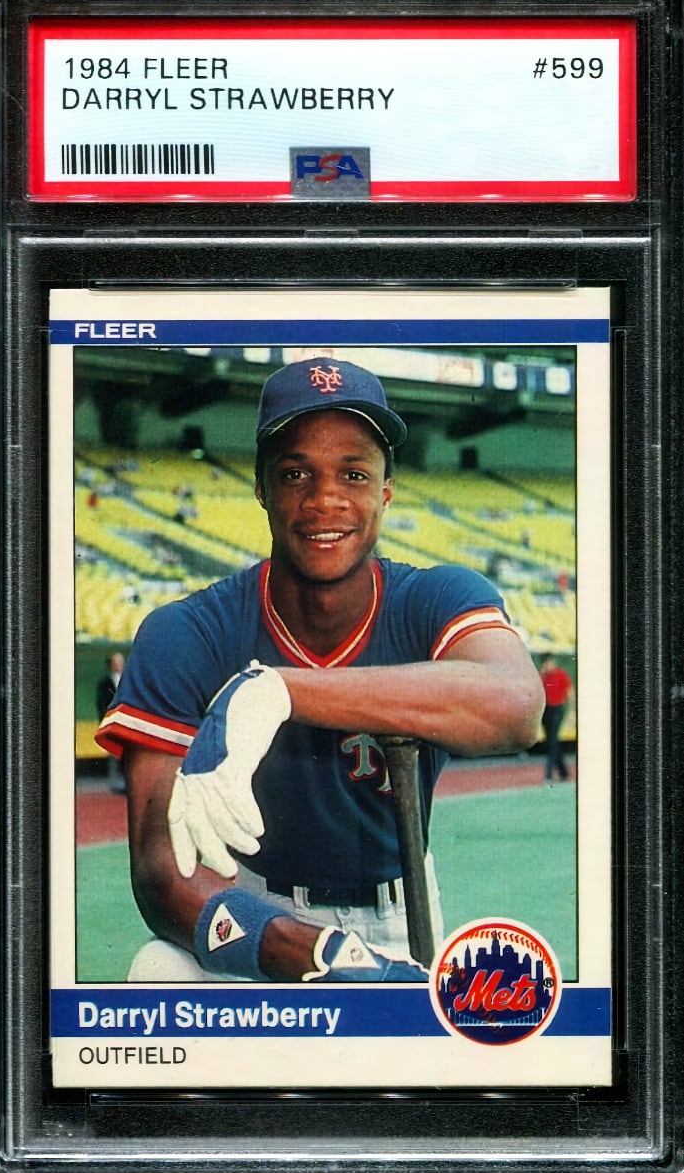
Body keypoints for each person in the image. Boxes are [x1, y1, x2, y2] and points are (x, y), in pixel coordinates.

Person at [95, 357, 544, 984]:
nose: (325, 499)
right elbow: (161, 872)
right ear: (262, 487)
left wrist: (277, 690)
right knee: (158, 971)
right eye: (295, 473)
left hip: (402, 909)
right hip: (249, 907)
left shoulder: (438, 598)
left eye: (354, 474)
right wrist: (320, 955)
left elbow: (517, 705)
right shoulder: (189, 631)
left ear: (385, 491)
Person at [539, 654, 573, 783]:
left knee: (552, 741)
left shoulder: (561, 674)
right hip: (546, 710)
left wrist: (571, 712)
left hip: (557, 709)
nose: (550, 665)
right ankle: (564, 774)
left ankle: (548, 775)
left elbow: (570, 693)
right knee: (552, 742)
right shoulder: (542, 676)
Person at [95, 652, 126, 792]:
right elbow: (101, 704)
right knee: (113, 753)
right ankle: (115, 784)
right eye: (117, 662)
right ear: (111, 665)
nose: (120, 665)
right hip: (111, 722)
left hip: (127, 723)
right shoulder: (104, 683)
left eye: (121, 662)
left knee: (128, 755)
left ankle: (128, 783)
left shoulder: (129, 680)